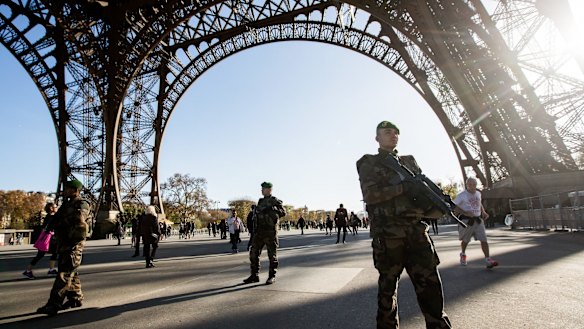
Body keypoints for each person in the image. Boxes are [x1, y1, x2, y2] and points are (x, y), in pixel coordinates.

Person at [356, 121, 452, 328]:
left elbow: (422, 194)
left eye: (396, 132)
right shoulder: (368, 162)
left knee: (430, 285)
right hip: (388, 234)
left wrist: (436, 203)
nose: (393, 135)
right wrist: (402, 188)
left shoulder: (409, 161)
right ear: (377, 138)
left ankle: (438, 324)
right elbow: (370, 196)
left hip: (416, 231)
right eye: (387, 132)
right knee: (388, 289)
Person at [37, 179, 89, 316]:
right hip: (64, 243)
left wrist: (72, 239)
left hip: (73, 244)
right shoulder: (66, 204)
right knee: (71, 271)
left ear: (75, 190)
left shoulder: (81, 204)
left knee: (64, 274)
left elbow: (80, 224)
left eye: (67, 188)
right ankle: (75, 298)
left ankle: (54, 304)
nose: (64, 190)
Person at [243, 182, 286, 285]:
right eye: (262, 188)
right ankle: (254, 275)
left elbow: (283, 212)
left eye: (263, 189)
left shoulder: (275, 201)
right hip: (259, 232)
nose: (261, 190)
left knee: (272, 256)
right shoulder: (260, 201)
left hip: (270, 232)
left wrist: (273, 208)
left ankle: (272, 276)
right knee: (253, 253)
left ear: (269, 190)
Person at [454, 177, 498, 269]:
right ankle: (463, 254)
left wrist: (483, 212)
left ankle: (488, 259)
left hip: (478, 220)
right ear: (467, 185)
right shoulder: (462, 195)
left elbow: (479, 203)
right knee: (465, 240)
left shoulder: (478, 193)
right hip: (467, 221)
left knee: (484, 239)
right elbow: (454, 207)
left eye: (474, 185)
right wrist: (465, 213)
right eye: (470, 185)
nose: (472, 187)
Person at [23, 202, 59, 279]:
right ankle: (28, 271)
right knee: (40, 254)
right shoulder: (52, 217)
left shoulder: (50, 216)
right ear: (51, 208)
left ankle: (51, 269)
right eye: (55, 207)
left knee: (55, 253)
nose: (57, 208)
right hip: (48, 238)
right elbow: (49, 227)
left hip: (50, 238)